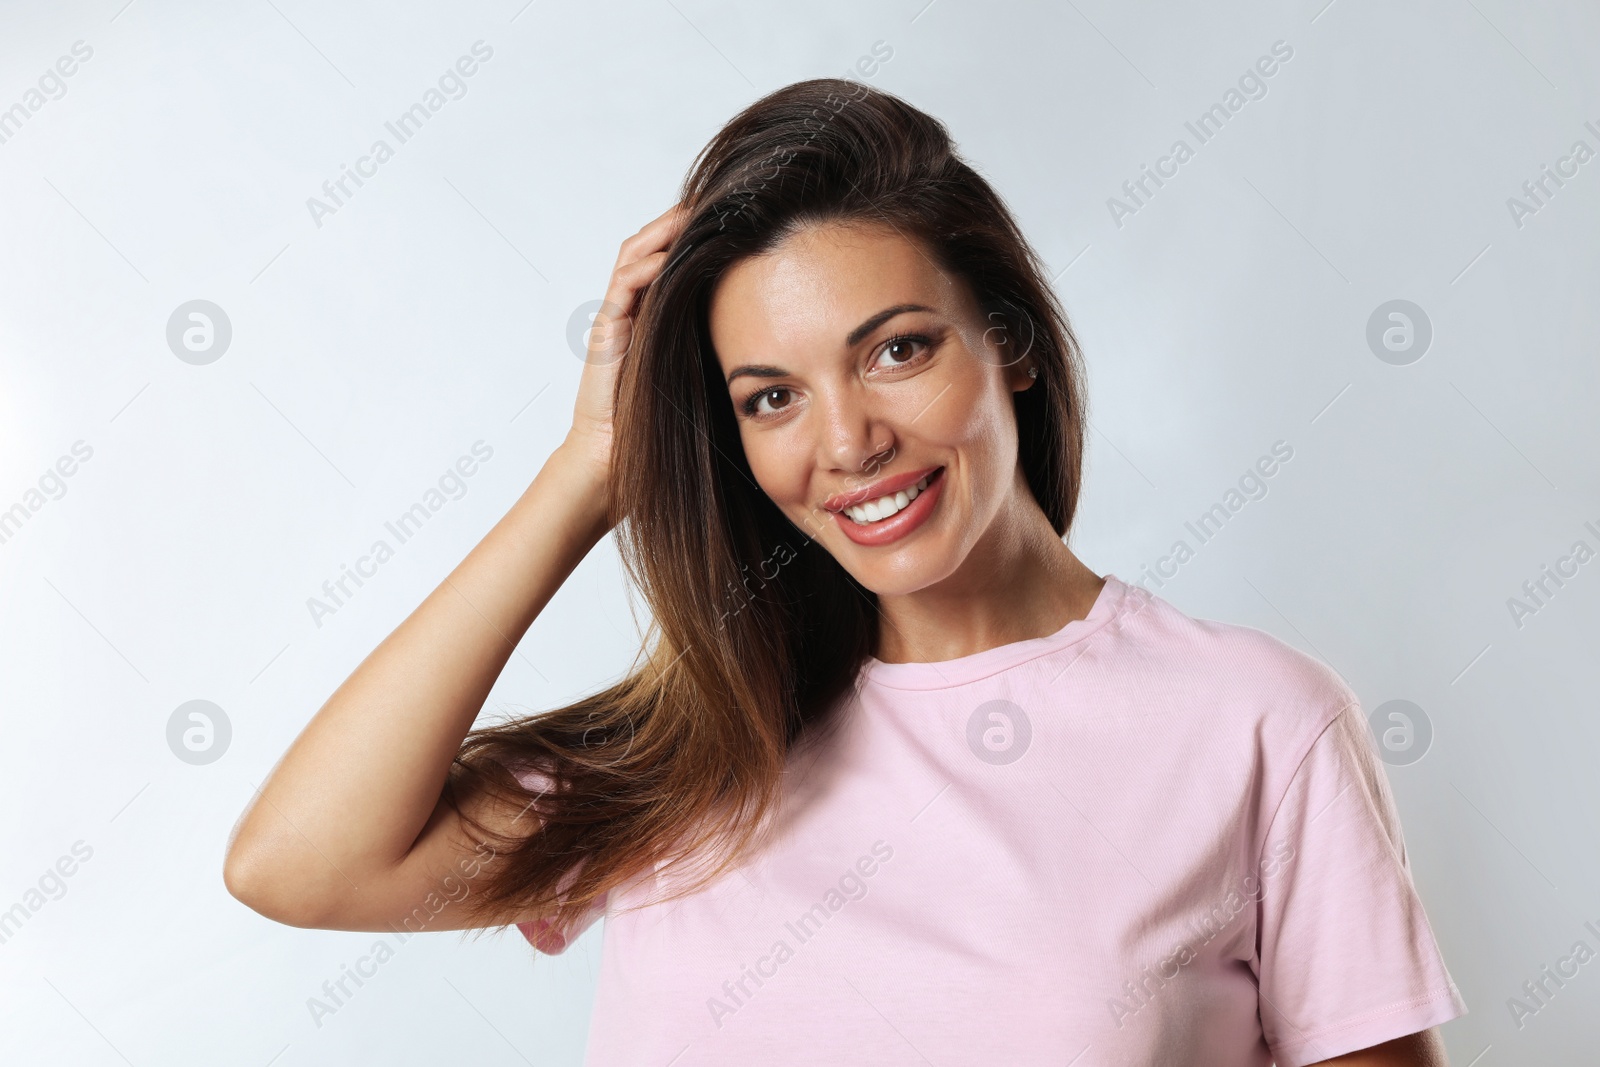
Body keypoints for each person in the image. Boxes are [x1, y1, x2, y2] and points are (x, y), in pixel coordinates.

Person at [224, 77, 1467, 1065]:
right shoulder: (699, 750)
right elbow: (298, 863)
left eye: (897, 350)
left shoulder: (1256, 722)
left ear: (1011, 343)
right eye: (771, 396)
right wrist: (590, 469)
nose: (847, 441)